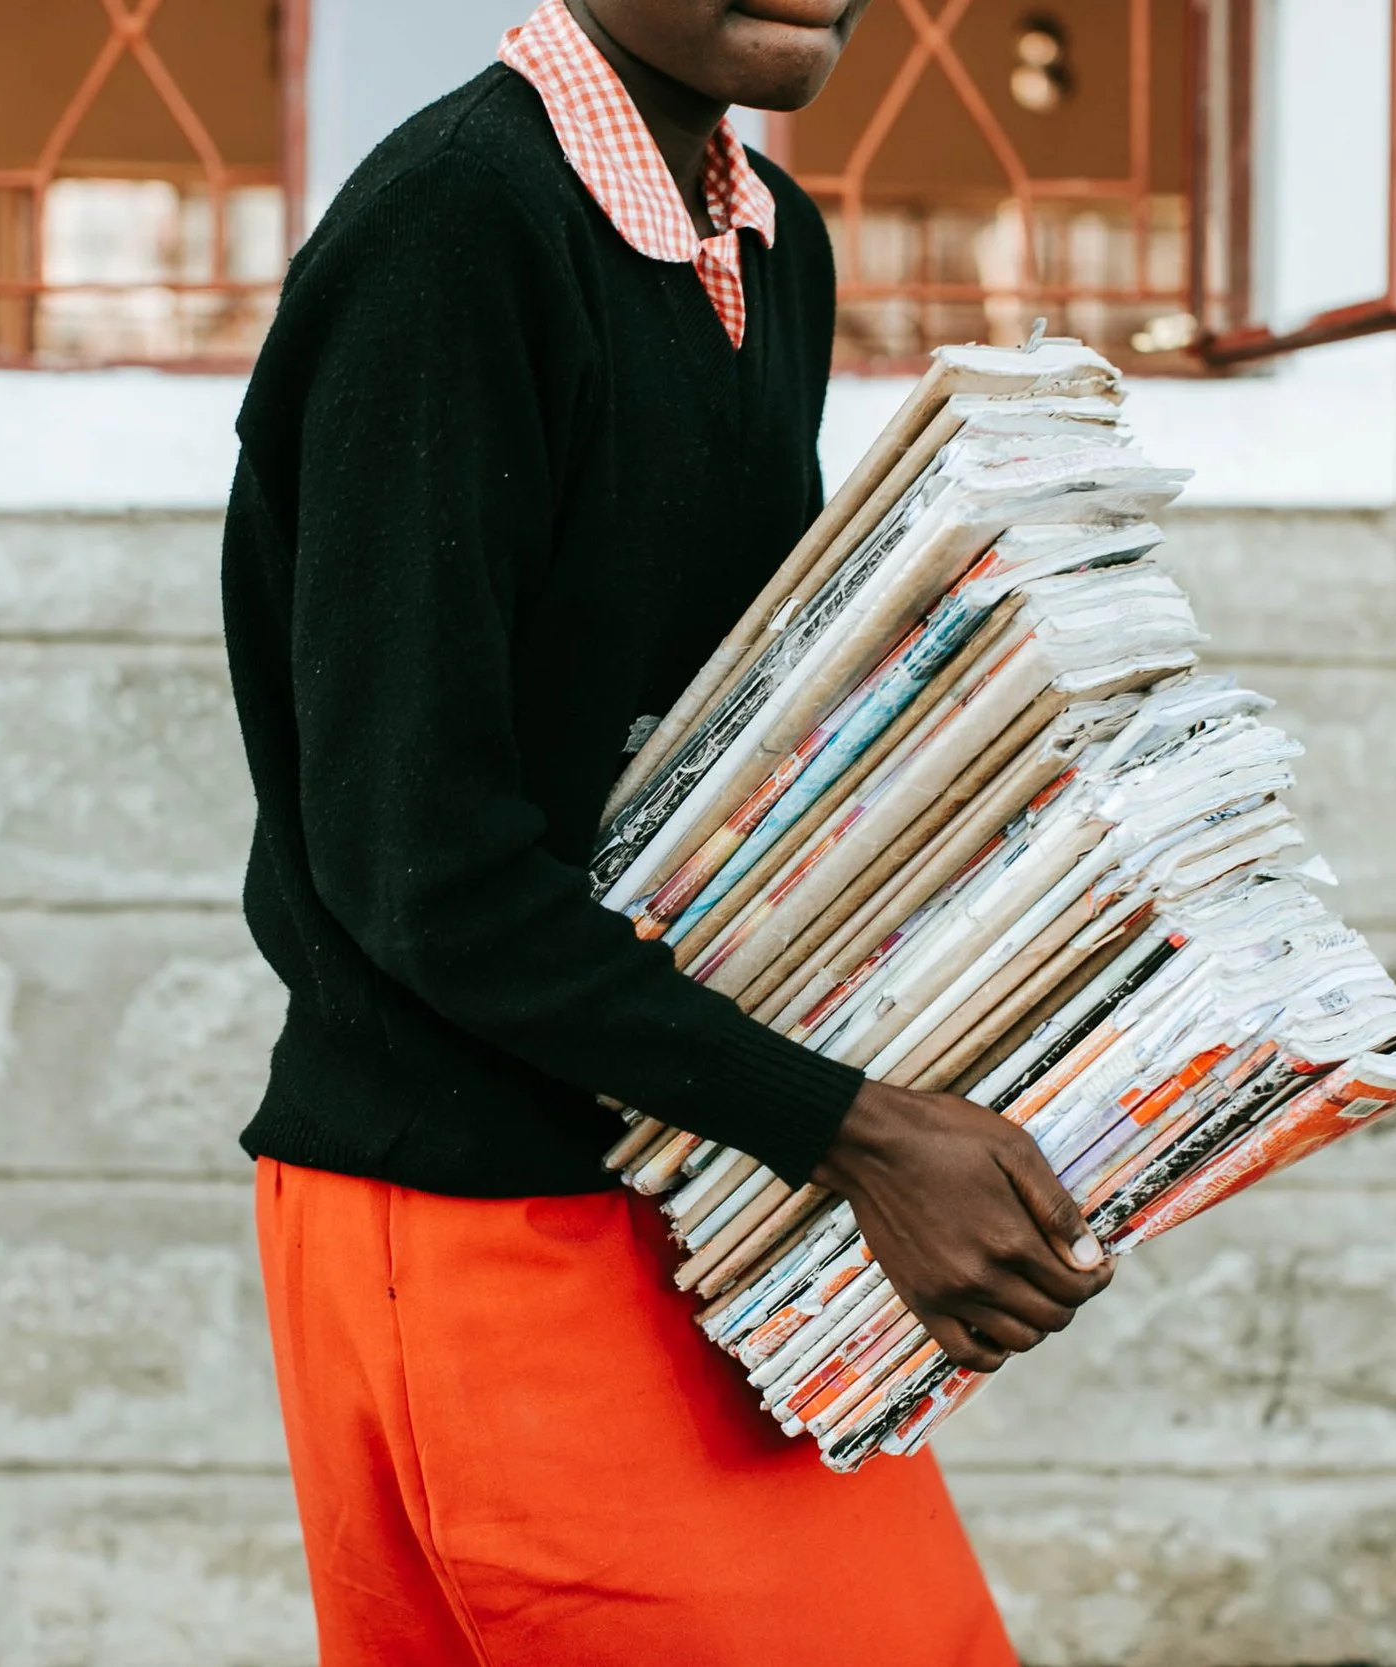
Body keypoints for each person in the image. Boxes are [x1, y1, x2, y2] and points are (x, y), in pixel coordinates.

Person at [220, 2, 1115, 1659]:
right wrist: (854, 1132)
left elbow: (714, 774)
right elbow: (421, 863)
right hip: (482, 1211)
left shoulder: (770, 244)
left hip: (696, 1190)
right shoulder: (458, 224)